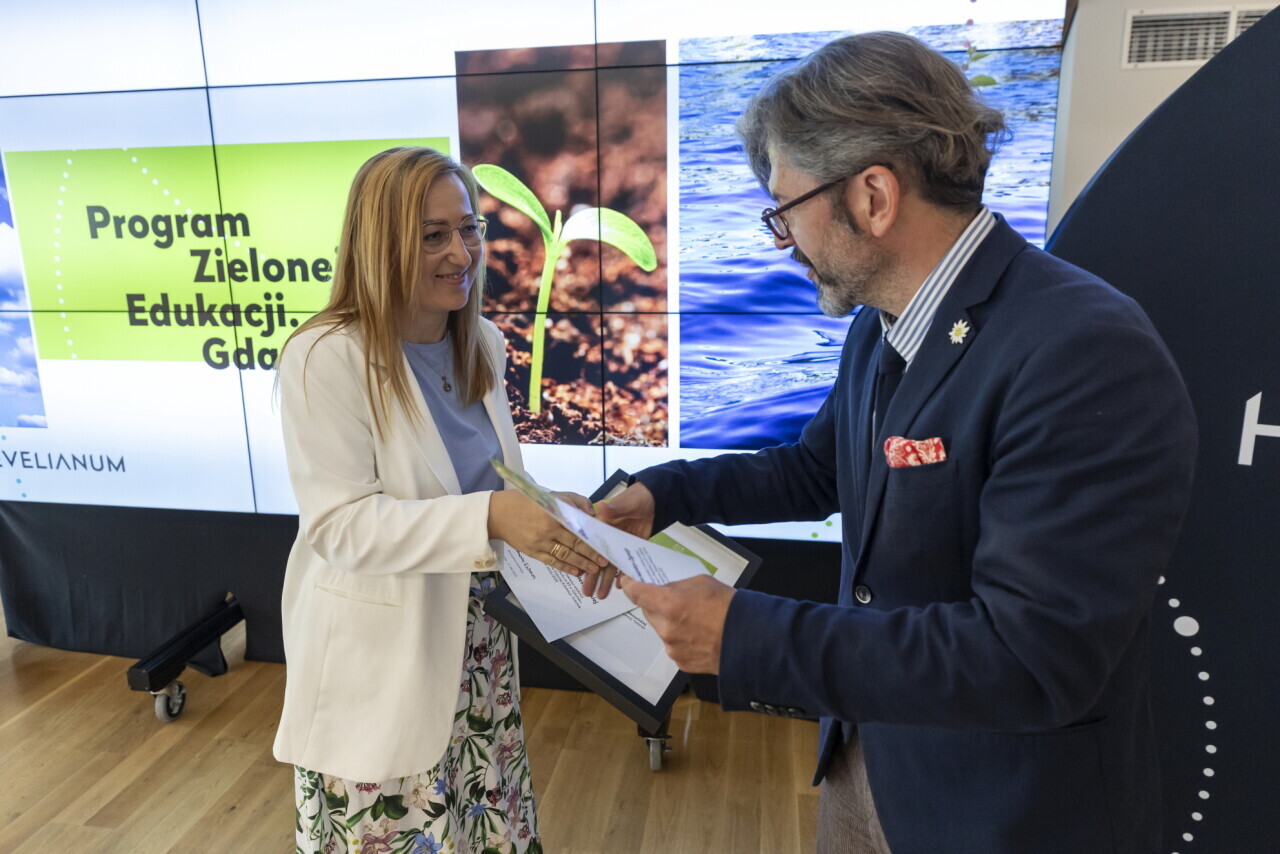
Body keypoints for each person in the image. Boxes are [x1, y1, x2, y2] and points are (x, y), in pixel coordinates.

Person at [602, 32, 1198, 854]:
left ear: (874, 196)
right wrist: (664, 493)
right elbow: (818, 469)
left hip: (998, 813)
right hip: (869, 755)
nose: (783, 243)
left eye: (785, 211)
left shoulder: (1086, 351)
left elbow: (1029, 658)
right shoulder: (883, 324)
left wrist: (746, 636)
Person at [272, 146, 613, 854]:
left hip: (479, 652)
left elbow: (482, 481)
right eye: (433, 235)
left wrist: (545, 506)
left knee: (485, 829)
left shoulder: (480, 341)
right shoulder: (324, 355)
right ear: (380, 242)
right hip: (381, 667)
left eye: (468, 229)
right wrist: (493, 517)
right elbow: (340, 527)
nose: (462, 253)